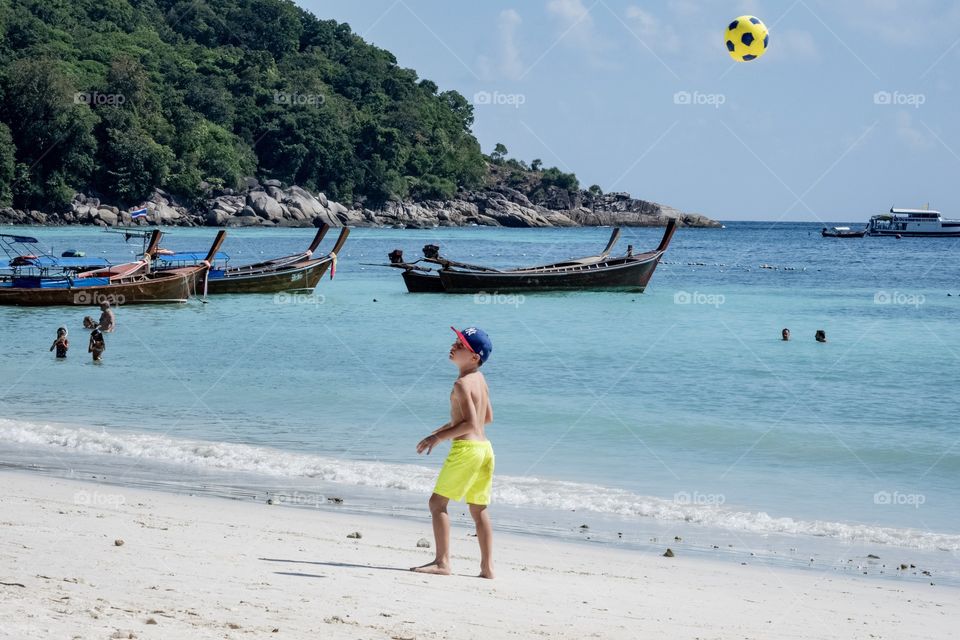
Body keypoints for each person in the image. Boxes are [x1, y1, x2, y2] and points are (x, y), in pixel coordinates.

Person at [413, 326, 495, 579]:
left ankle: (442, 562)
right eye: (456, 341)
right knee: (478, 509)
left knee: (437, 503)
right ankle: (487, 568)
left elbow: (469, 424)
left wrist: (438, 437)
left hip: (466, 450)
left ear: (474, 357)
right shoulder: (480, 380)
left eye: (460, 345)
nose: (453, 346)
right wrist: (435, 434)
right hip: (484, 449)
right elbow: (486, 419)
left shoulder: (461, 383)